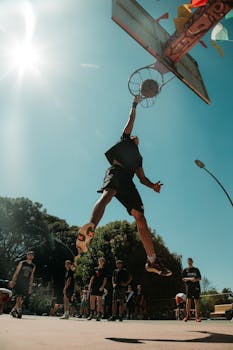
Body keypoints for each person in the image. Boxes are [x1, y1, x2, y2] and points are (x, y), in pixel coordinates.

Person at [76, 96, 172, 277]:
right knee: (107, 195)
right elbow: (131, 119)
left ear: (139, 144)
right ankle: (90, 229)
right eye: (134, 135)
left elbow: (142, 179)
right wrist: (134, 104)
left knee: (140, 217)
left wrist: (153, 186)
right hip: (116, 172)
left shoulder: (138, 158)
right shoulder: (125, 139)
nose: (136, 136)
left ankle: (152, 261)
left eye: (137, 138)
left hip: (129, 181)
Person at [9, 251, 36, 318]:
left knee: (23, 298)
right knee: (19, 295)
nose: (30, 256)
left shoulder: (33, 266)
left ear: (33, 257)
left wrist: (30, 286)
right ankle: (19, 310)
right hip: (19, 281)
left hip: (26, 283)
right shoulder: (22, 263)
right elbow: (16, 272)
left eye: (32, 255)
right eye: (29, 255)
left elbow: (32, 276)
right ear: (27, 256)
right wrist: (13, 281)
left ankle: (14, 309)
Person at [87, 257, 107, 321]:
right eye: (99, 261)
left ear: (103, 263)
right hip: (94, 286)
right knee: (92, 300)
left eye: (102, 261)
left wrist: (103, 286)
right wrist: (90, 285)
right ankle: (91, 314)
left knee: (99, 301)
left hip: (100, 286)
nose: (100, 262)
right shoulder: (95, 269)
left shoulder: (104, 270)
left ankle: (99, 314)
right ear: (98, 262)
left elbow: (105, 279)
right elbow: (92, 277)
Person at [182, 258, 202, 322]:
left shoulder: (196, 269)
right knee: (188, 301)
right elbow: (183, 278)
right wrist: (190, 279)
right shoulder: (185, 270)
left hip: (196, 287)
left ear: (192, 262)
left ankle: (197, 317)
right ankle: (187, 316)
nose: (189, 262)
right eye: (188, 261)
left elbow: (200, 278)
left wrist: (195, 279)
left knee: (196, 301)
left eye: (190, 261)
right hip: (189, 287)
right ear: (187, 262)